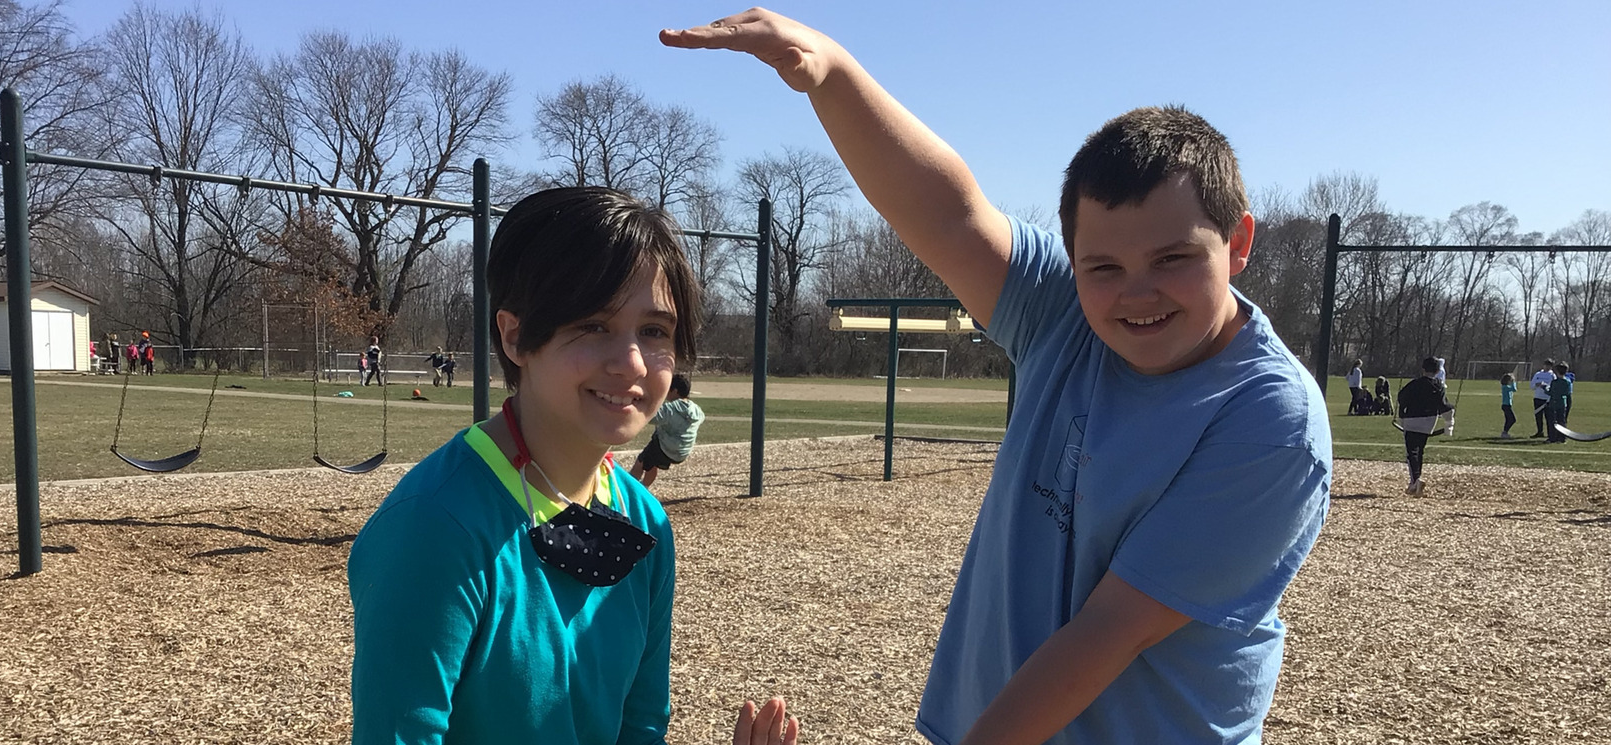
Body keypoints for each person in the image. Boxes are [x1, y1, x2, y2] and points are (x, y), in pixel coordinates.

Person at [664, 11, 1329, 744]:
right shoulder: (1068, 314)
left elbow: (1109, 633)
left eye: (1172, 259)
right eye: (1104, 266)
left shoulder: (1272, 420)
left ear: (1237, 243)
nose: (1137, 292)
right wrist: (832, 74)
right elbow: (951, 215)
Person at [347, 186, 796, 745]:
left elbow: (640, 729)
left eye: (654, 331)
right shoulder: (435, 528)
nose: (630, 362)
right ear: (515, 336)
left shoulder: (646, 523)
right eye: (592, 325)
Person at [631, 373, 706, 487]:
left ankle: (630, 489)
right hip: (683, 452)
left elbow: (650, 417)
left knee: (641, 462)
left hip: (666, 449)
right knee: (652, 462)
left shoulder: (671, 408)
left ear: (675, 391)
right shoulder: (696, 410)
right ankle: (644, 487)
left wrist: (644, 403)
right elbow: (701, 419)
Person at [1397, 357, 1454, 495]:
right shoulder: (1438, 385)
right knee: (1419, 450)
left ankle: (1415, 481)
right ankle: (1416, 480)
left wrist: (1402, 414)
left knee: (1412, 453)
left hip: (1412, 420)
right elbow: (1444, 405)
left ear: (1423, 369)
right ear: (1437, 371)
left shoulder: (1414, 384)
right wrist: (1449, 423)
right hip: (1429, 421)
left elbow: (1401, 397)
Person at [1546, 362, 1574, 443]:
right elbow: (1567, 393)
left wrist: (1545, 388)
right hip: (1562, 404)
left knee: (1552, 421)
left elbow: (1550, 392)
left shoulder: (1555, 382)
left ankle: (1552, 437)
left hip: (1553, 404)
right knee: (1561, 421)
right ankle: (1561, 438)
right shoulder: (1568, 382)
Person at [1530, 359, 1555, 438]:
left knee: (1549, 417)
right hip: (1538, 397)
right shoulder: (1538, 374)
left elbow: (1554, 387)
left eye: (1549, 365)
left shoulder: (1552, 375)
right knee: (1538, 416)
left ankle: (1550, 433)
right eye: (1546, 365)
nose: (1547, 367)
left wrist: (1545, 386)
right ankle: (1540, 431)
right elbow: (1531, 386)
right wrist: (1537, 385)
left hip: (1547, 398)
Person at [1500, 373, 1517, 439]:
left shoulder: (1506, 387)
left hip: (1508, 405)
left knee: (1508, 419)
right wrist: (1514, 382)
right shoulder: (1505, 387)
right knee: (1512, 419)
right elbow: (1514, 389)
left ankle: (1505, 432)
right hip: (1506, 405)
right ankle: (1504, 432)